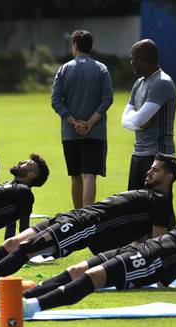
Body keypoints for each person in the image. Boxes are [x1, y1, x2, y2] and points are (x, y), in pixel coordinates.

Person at [0, 178, 176, 317]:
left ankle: (32, 307)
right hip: (142, 248)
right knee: (76, 268)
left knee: (95, 278)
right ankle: (16, 302)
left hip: (155, 260)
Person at [0, 153, 176, 293]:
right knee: (14, 241)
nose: (149, 172)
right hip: (73, 216)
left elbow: (154, 246)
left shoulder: (160, 202)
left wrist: (161, 277)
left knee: (27, 249)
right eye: (150, 168)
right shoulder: (149, 196)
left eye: (156, 170)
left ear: (169, 177)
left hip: (86, 225)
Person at [52, 30, 113, 209]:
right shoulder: (101, 68)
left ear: (75, 45)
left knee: (76, 175)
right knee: (89, 175)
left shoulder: (64, 69)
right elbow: (107, 99)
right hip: (96, 132)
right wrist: (90, 123)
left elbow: (56, 100)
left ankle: (76, 217)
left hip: (70, 133)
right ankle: (87, 216)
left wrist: (73, 122)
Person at [122, 39, 176, 193]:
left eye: (133, 59)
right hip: (138, 153)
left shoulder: (162, 82)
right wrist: (137, 120)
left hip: (158, 156)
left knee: (158, 207)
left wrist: (136, 119)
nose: (131, 62)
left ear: (143, 58)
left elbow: (138, 119)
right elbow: (125, 121)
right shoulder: (139, 83)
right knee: (133, 206)